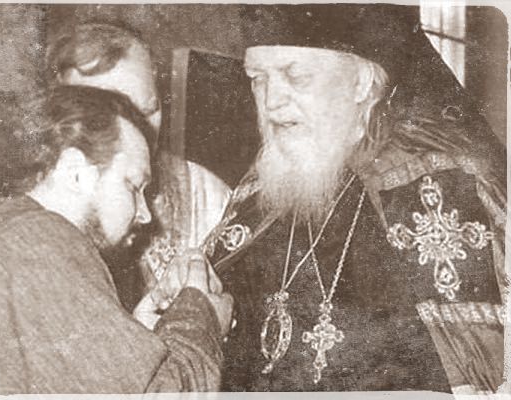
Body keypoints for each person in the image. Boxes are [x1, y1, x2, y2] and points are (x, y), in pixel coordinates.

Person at [201, 4, 506, 394]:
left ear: (361, 84)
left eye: (296, 75)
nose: (271, 100)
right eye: (257, 79)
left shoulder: (443, 187)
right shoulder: (258, 193)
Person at [0, 85, 233, 394]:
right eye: (134, 186)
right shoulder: (41, 242)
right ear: (75, 171)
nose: (144, 214)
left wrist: (136, 338)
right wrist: (201, 315)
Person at [46, 20, 231, 308]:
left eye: (149, 110)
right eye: (112, 120)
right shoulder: (37, 209)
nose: (141, 135)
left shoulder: (205, 194)